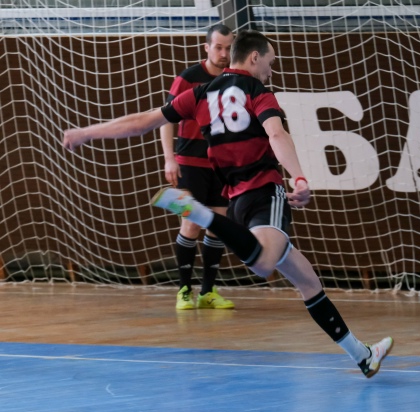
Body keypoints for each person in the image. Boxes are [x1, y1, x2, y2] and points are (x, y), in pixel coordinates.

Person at [63, 30, 394, 378]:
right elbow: (276, 134)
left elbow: (142, 123)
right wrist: (298, 177)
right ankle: (200, 213)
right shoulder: (258, 91)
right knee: (264, 263)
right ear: (254, 57)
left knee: (308, 281)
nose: (270, 70)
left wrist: (86, 133)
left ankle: (363, 355)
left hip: (236, 202)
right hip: (264, 192)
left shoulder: (201, 93)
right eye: (269, 63)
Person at [160, 24, 235, 311]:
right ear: (206, 47)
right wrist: (169, 158)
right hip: (189, 163)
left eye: (228, 48)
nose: (224, 53)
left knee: (217, 225)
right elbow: (165, 119)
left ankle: (208, 291)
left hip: (221, 164)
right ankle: (183, 291)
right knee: (191, 223)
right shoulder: (188, 78)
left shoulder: (234, 79)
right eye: (218, 47)